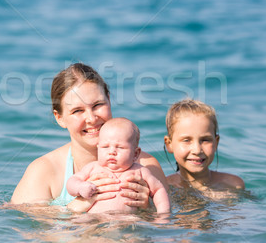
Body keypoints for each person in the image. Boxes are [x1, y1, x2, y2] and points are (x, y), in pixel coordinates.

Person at [10, 63, 169, 210]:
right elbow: (28, 231)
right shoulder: (44, 171)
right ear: (60, 118)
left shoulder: (147, 166)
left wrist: (148, 208)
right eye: (77, 111)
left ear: (109, 100)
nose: (92, 118)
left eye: (98, 105)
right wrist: (75, 208)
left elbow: (169, 223)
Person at [66, 118, 170, 214]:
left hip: (128, 220)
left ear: (135, 154)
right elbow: (72, 181)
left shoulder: (140, 171)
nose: (111, 152)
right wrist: (80, 187)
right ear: (98, 148)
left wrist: (163, 216)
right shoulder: (93, 168)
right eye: (105, 146)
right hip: (93, 218)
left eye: (120, 147)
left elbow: (158, 190)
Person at [164, 99, 244, 191]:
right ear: (169, 144)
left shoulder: (233, 185)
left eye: (205, 140)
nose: (197, 150)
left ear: (216, 142)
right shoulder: (164, 189)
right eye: (186, 140)